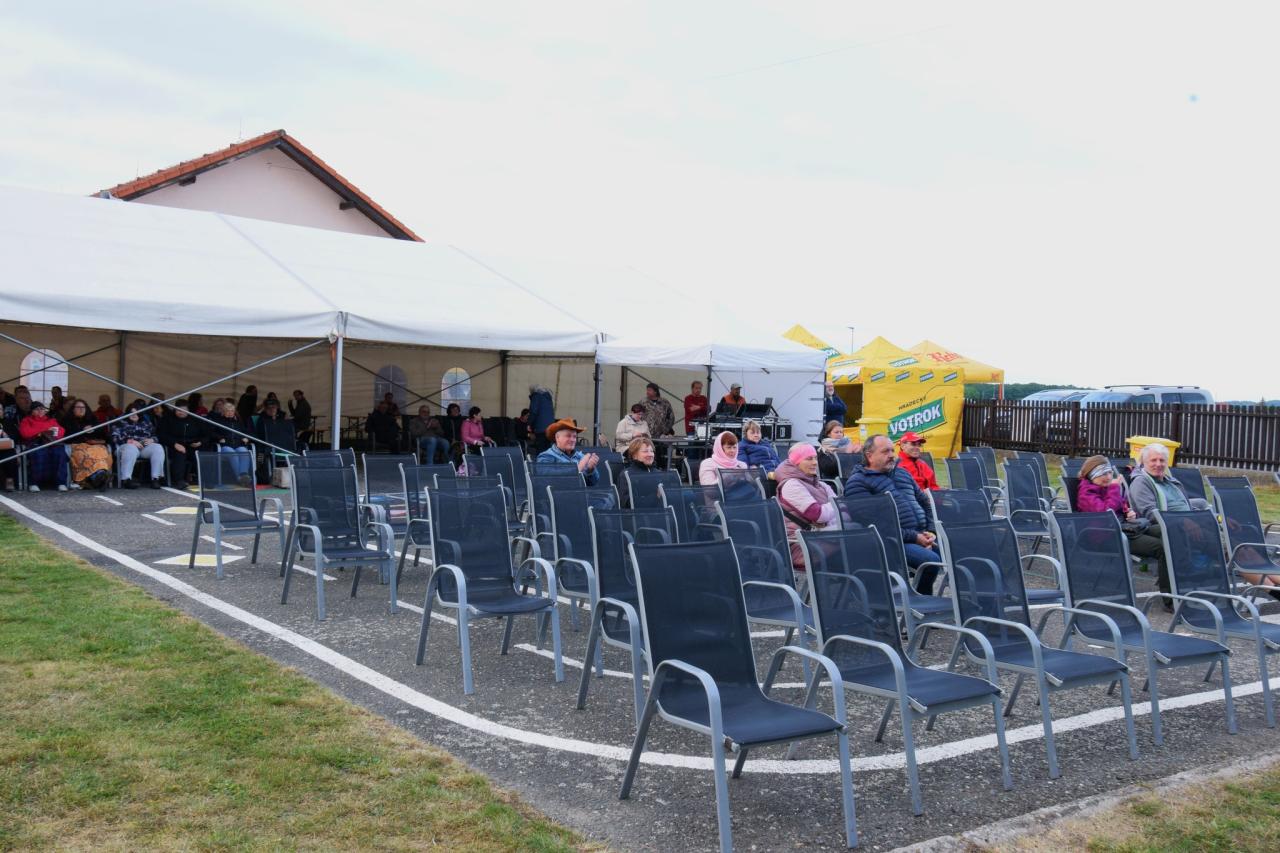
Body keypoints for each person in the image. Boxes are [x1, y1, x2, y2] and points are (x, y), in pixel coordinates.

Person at [844, 434, 941, 594]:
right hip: (893, 542)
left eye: (892, 450)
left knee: (964, 553)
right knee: (931, 561)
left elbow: (925, 502)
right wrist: (915, 537)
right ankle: (922, 599)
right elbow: (874, 526)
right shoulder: (858, 482)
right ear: (869, 456)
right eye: (885, 451)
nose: (891, 455)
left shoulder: (902, 474)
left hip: (922, 535)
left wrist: (931, 531)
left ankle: (971, 605)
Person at [1075, 454, 1172, 597]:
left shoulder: (1106, 488)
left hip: (1125, 529)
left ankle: (1177, 582)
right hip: (1106, 536)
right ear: (1091, 475)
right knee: (1162, 547)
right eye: (1102, 474)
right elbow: (1106, 513)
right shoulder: (1086, 493)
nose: (1108, 477)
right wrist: (1114, 488)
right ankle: (1170, 598)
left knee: (1170, 531)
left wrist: (1129, 513)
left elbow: (1120, 508)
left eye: (1109, 472)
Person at [1127, 443, 1213, 600]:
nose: (1158, 464)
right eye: (1153, 460)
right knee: (1183, 535)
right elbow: (1150, 513)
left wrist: (1202, 517)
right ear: (1143, 462)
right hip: (1158, 525)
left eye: (1162, 460)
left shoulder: (1171, 481)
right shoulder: (1141, 482)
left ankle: (1233, 561)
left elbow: (1185, 504)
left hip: (1183, 522)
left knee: (1222, 530)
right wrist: (1184, 521)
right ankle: (1177, 589)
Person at [775, 443, 838, 570]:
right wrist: (834, 508)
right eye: (809, 459)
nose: (815, 462)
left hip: (820, 536)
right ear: (796, 462)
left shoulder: (820, 484)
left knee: (857, 532)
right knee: (857, 537)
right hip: (801, 545)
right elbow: (819, 515)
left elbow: (844, 510)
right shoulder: (791, 485)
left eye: (815, 458)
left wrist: (833, 512)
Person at [60, 398, 112, 490]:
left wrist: (94, 430)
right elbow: (66, 436)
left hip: (94, 445)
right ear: (73, 409)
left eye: (83, 407)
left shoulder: (92, 419)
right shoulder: (66, 420)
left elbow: (103, 434)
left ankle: (99, 476)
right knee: (85, 454)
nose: (81, 409)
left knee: (100, 452)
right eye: (78, 407)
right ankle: (98, 477)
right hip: (77, 445)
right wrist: (82, 431)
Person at [18, 401, 70, 491]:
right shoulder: (27, 420)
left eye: (42, 409)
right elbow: (25, 433)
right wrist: (43, 431)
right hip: (36, 443)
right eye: (37, 409)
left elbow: (61, 431)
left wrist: (54, 433)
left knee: (60, 453)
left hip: (52, 443)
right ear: (32, 411)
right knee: (39, 453)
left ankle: (61, 482)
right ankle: (34, 483)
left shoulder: (51, 420)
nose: (40, 411)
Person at [112, 403, 165, 489]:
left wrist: (152, 440)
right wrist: (130, 441)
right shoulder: (120, 422)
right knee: (131, 448)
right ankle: (126, 479)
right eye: (131, 413)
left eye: (137, 413)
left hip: (143, 447)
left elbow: (155, 435)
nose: (134, 415)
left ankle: (156, 479)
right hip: (125, 447)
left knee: (158, 448)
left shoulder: (146, 422)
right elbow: (114, 437)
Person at [159, 399, 210, 485]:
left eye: (183, 410)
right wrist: (174, 444)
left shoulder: (195, 419)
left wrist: (200, 442)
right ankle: (179, 480)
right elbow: (162, 435)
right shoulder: (167, 419)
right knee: (180, 455)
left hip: (193, 444)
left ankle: (205, 479)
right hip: (174, 445)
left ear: (188, 410)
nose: (181, 412)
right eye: (178, 410)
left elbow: (207, 435)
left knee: (201, 454)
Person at [537, 418, 599, 485]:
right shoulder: (546, 456)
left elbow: (593, 483)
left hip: (580, 491)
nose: (572, 440)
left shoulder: (580, 456)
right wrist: (577, 469)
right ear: (557, 437)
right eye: (568, 436)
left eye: (574, 437)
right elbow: (547, 478)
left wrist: (590, 470)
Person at [210, 398, 254, 480]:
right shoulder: (218, 421)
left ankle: (243, 474)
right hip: (225, 446)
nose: (230, 413)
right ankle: (240, 478)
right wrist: (219, 438)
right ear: (223, 412)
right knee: (232, 453)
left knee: (244, 452)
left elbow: (247, 432)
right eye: (228, 411)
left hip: (238, 444)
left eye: (232, 411)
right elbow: (211, 433)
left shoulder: (238, 422)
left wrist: (246, 438)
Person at [528, 385, 555, 453]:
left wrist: (529, 424)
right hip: (550, 428)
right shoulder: (548, 398)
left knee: (540, 449)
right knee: (547, 448)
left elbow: (533, 411)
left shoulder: (536, 396)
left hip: (540, 428)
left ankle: (541, 460)